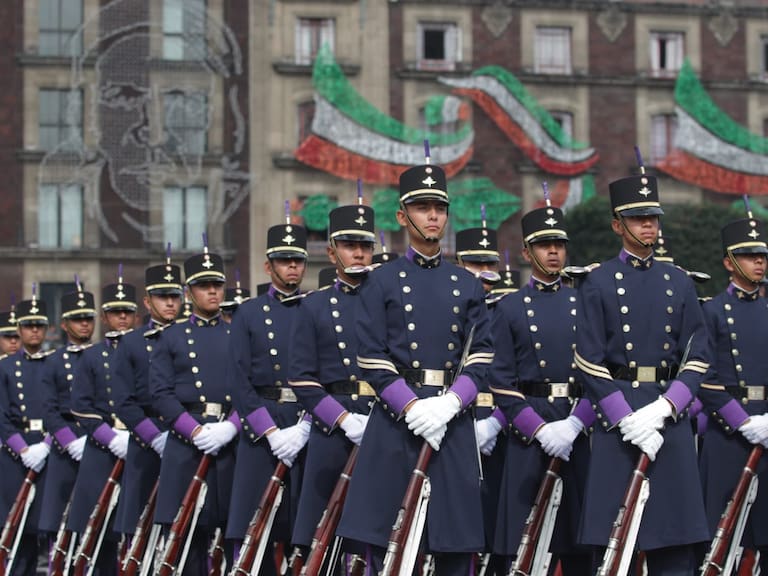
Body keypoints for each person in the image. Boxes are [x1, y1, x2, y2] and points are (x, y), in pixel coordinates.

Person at [336, 158, 494, 575]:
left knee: (453, 548)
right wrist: (412, 408)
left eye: (439, 208)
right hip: (396, 422)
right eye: (423, 208)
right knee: (389, 546)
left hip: (451, 422)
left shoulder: (467, 283)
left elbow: (481, 355)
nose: (433, 216)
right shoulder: (380, 280)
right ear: (403, 216)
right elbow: (370, 356)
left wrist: (449, 405)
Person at [574, 166, 710, 575]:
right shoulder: (598, 282)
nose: (648, 224)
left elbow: (698, 354)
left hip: (668, 417)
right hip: (622, 420)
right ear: (618, 224)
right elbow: (588, 360)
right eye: (637, 218)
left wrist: (666, 407)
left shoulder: (679, 281)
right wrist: (624, 417)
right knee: (616, 546)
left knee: (676, 546)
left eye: (652, 217)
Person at [488, 200, 594, 574]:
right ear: (526, 252)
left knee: (580, 543)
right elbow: (500, 378)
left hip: (576, 428)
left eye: (559, 245)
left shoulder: (586, 303)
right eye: (545, 245)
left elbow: (600, 375)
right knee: (524, 541)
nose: (554, 252)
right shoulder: (510, 307)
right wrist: (537, 428)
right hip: (530, 429)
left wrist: (575, 423)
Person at [288, 201, 378, 568]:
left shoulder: (389, 301)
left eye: (365, 245)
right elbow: (302, 379)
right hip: (334, 427)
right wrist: (343, 420)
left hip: (382, 422)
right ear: (331, 251)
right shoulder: (314, 306)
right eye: (348, 244)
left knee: (380, 536)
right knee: (323, 537)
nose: (358, 252)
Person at [225, 221, 309, 576]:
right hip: (263, 429)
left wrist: (305, 426)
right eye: (284, 260)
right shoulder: (248, 312)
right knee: (252, 529)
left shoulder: (316, 308)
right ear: (268, 266)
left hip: (307, 422)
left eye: (298, 260)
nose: (292, 266)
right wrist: (270, 432)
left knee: (305, 530)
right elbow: (238, 380)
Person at [150, 247, 239, 576]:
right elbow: (160, 393)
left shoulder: (236, 334)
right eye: (204, 286)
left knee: (234, 534)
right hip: (188, 443)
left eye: (217, 284)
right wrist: (194, 430)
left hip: (229, 443)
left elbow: (248, 390)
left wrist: (231, 426)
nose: (213, 291)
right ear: (189, 292)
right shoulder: (170, 337)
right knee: (187, 539)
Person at [697, 208, 768, 573]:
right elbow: (703, 377)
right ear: (728, 262)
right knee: (720, 539)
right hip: (728, 435)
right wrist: (742, 422)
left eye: (761, 255)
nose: (758, 262)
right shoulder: (712, 311)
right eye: (747, 255)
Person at [68, 271, 138, 576]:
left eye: (127, 312)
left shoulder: (147, 349)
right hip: (104, 447)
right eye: (115, 312)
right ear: (104, 316)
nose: (122, 317)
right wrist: (110, 438)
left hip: (140, 445)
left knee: (138, 527)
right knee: (99, 533)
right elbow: (81, 407)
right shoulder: (91, 356)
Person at [110, 257, 183, 549]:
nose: (169, 303)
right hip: (145, 439)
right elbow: (123, 400)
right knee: (140, 529)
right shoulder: (131, 343)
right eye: (161, 297)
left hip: (184, 434)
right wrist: (154, 437)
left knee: (182, 527)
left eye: (174, 296)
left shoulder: (187, 337)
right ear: (147, 301)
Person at [454, 217, 506, 575]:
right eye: (476, 264)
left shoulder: (509, 311)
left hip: (499, 430)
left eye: (490, 265)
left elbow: (519, 377)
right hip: (457, 426)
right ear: (460, 264)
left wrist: (496, 422)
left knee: (497, 527)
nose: (485, 273)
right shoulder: (450, 310)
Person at [38, 283, 96, 550]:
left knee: (97, 523)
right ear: (64, 324)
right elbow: (48, 410)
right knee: (59, 526)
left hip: (99, 442)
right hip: (66, 446)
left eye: (88, 318)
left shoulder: (106, 356)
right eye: (77, 319)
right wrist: (70, 442)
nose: (84, 324)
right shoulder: (52, 361)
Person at [0, 294, 54, 576]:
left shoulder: (56, 364)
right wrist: (23, 450)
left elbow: (61, 410)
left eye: (39, 326)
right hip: (16, 456)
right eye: (28, 326)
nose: (34, 331)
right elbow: (1, 416)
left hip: (49, 451)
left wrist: (46, 445)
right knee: (18, 533)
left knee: (47, 532)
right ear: (19, 329)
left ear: (46, 330)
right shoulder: (5, 367)